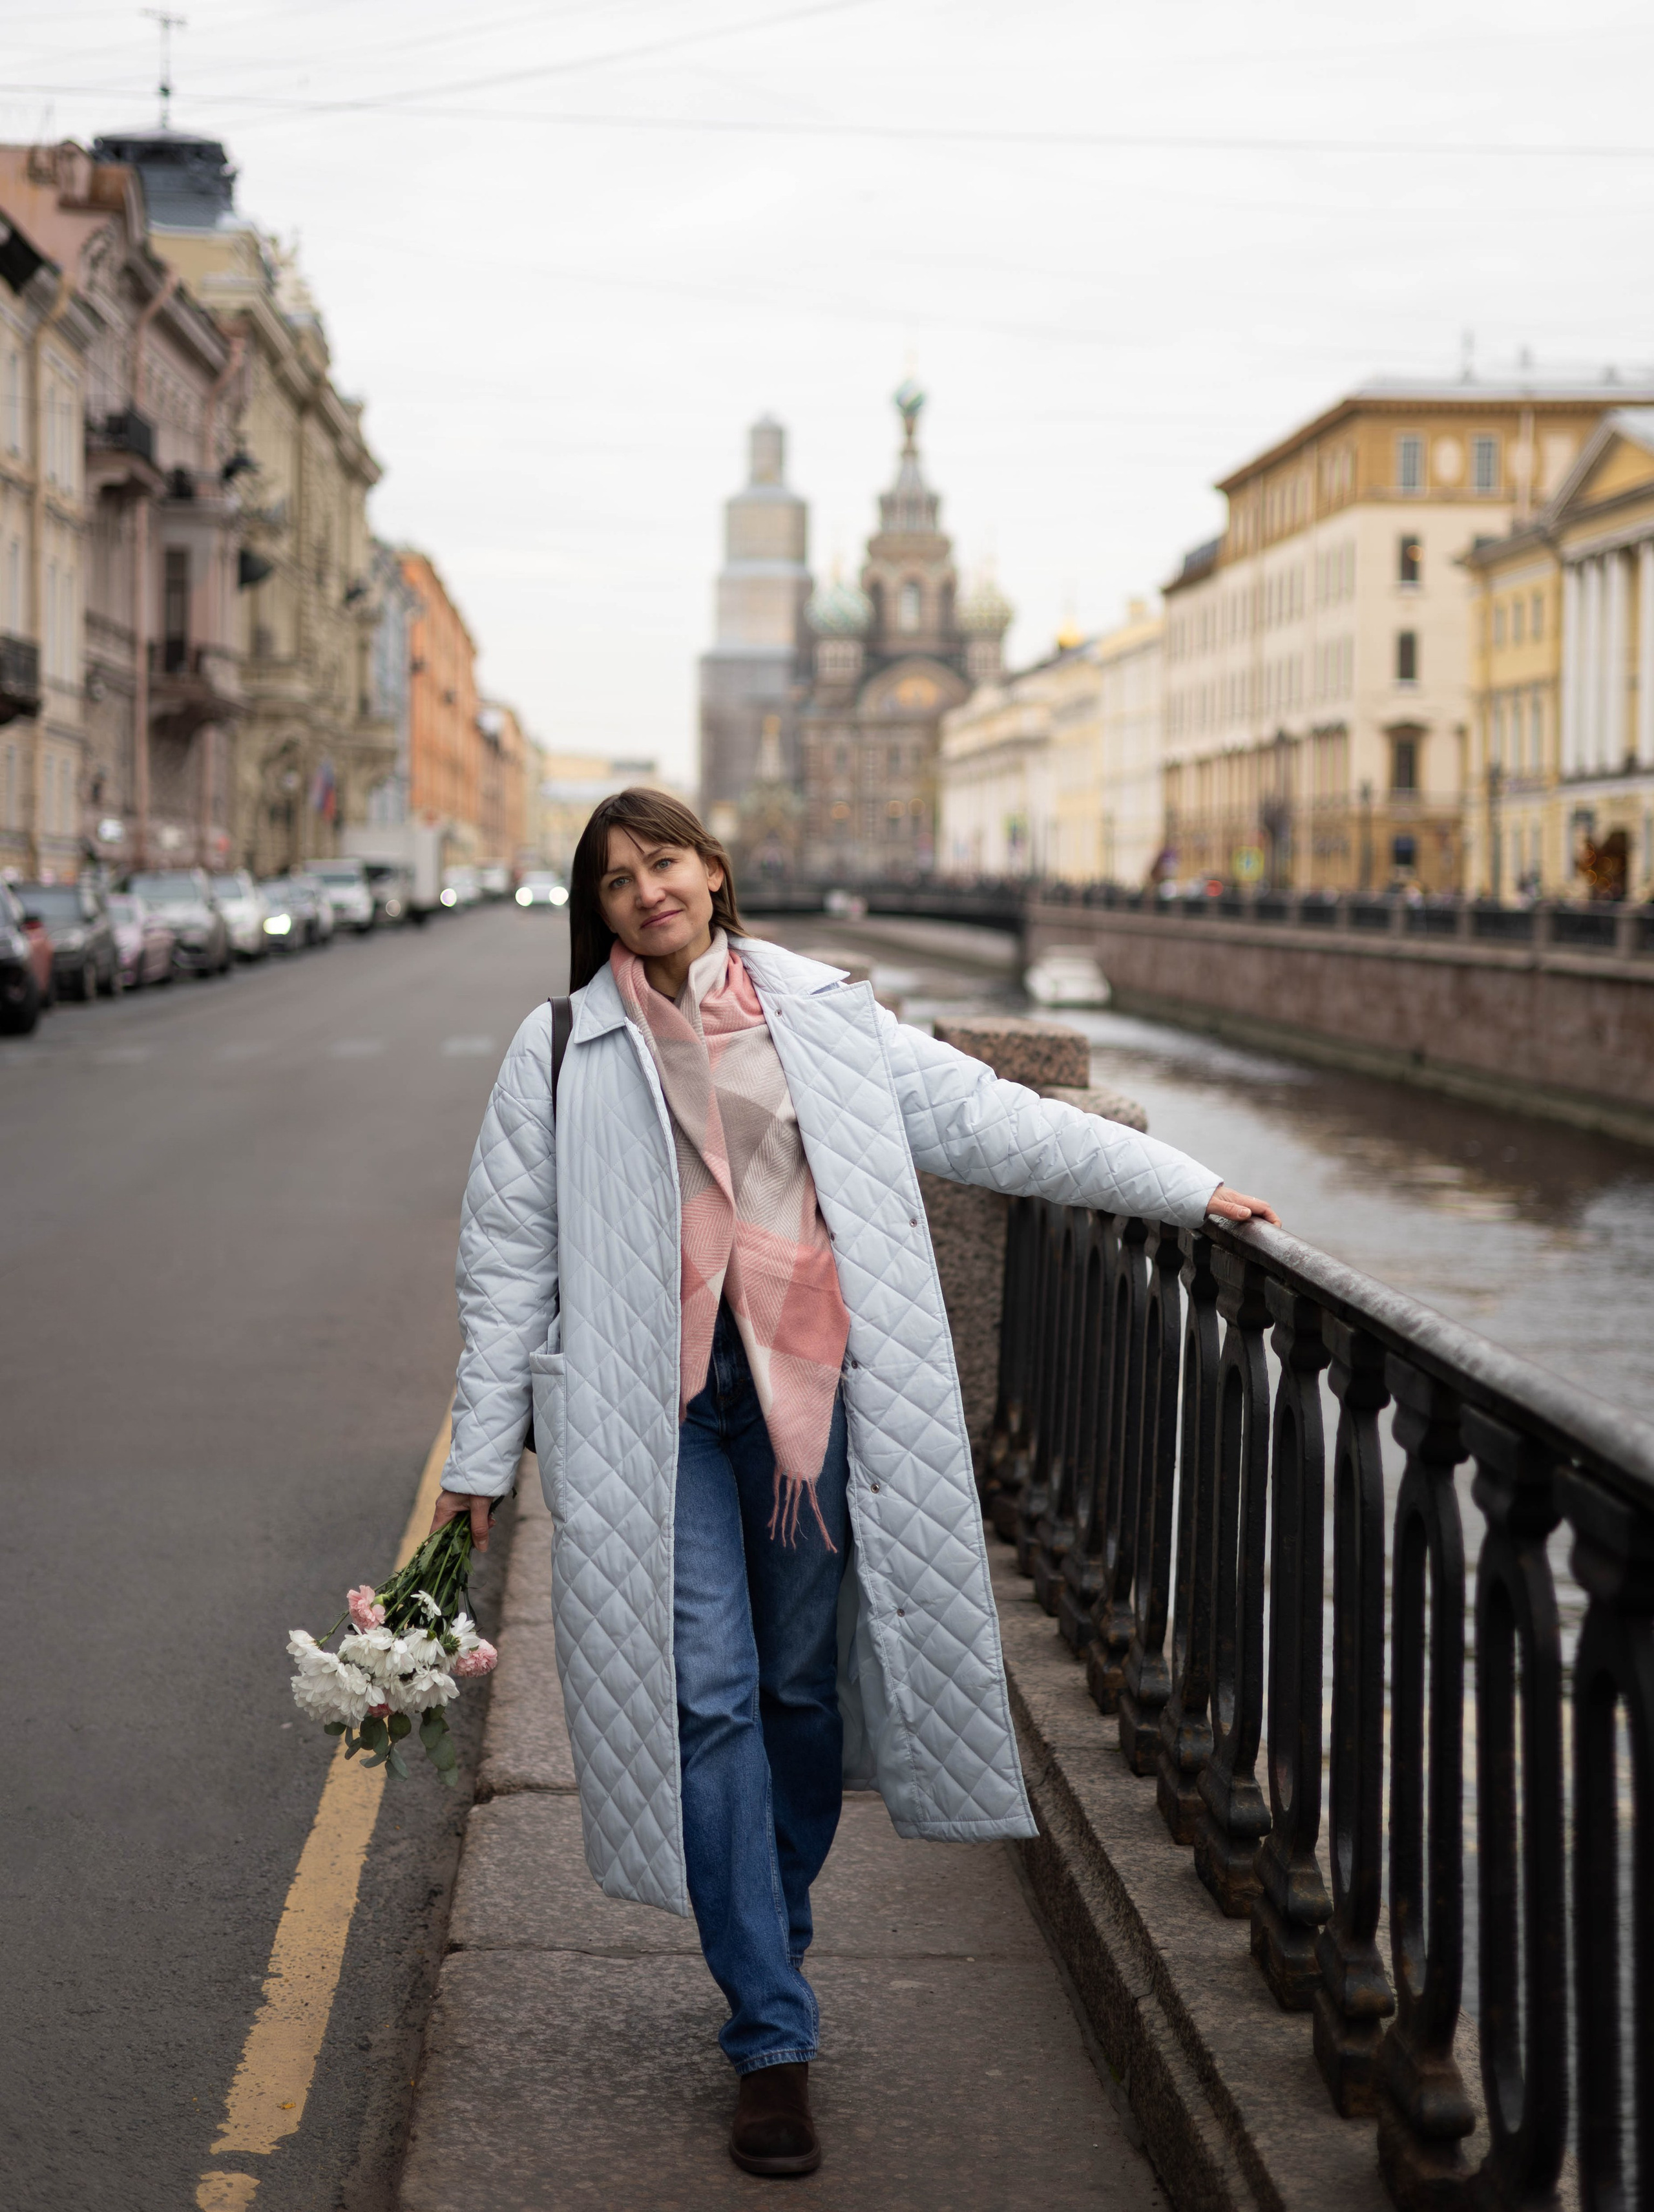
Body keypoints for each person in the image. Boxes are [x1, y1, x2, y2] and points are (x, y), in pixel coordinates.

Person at [429, 789, 1278, 2179]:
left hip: (806, 1399)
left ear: (713, 872)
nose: (647, 891)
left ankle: (769, 1923)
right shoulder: (561, 1046)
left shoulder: (822, 1016)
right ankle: (771, 2030)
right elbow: (507, 1255)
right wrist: (477, 1454)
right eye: (617, 879)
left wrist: (1184, 1186)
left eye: (664, 863)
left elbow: (994, 1122)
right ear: (599, 910)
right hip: (655, 1414)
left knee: (796, 1694)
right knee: (709, 1694)